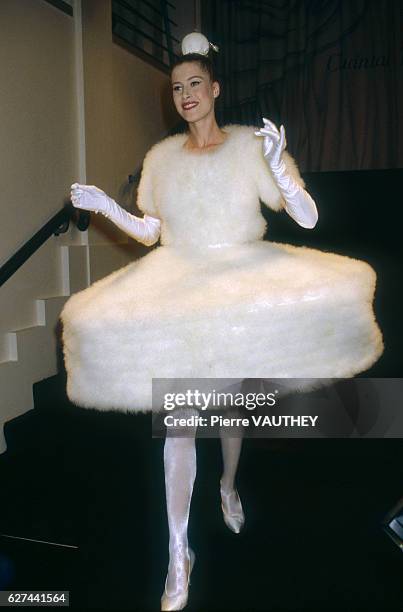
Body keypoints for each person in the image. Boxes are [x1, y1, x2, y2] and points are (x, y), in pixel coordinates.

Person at [61, 32, 383, 611]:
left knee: (229, 401)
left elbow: (307, 218)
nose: (185, 95)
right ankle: (177, 554)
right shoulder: (159, 158)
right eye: (177, 87)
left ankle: (227, 484)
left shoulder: (245, 147)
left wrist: (281, 173)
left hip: (240, 279)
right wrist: (107, 208)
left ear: (215, 89)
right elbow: (151, 231)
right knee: (180, 418)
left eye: (194, 84)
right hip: (179, 286)